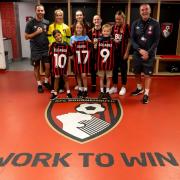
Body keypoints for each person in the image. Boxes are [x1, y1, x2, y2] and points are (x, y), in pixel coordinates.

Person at [131, 3, 160, 104]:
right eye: (142, 10)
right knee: (136, 72)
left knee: (147, 75)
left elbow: (156, 41)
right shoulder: (135, 23)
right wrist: (139, 50)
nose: (144, 11)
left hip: (149, 54)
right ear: (140, 12)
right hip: (137, 53)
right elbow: (132, 40)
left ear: (150, 10)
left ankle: (146, 94)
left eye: (146, 9)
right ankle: (140, 88)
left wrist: (148, 52)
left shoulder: (155, 24)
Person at [25, 4, 51, 93]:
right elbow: (26, 37)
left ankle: (46, 82)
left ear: (44, 11)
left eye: (41, 10)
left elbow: (48, 34)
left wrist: (49, 39)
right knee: (36, 67)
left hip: (45, 48)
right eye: (38, 10)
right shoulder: (30, 23)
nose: (40, 12)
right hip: (35, 49)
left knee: (48, 66)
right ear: (36, 11)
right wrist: (36, 32)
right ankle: (39, 84)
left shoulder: (47, 22)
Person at [48, 9, 71, 93]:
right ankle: (54, 88)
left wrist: (67, 48)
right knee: (55, 68)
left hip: (63, 50)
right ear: (55, 16)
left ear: (63, 16)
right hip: (55, 50)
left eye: (60, 15)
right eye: (57, 15)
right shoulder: (51, 26)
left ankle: (61, 87)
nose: (59, 17)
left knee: (63, 68)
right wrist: (53, 45)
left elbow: (68, 39)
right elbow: (50, 38)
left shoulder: (66, 27)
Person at [109, 10, 131, 96]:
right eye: (116, 19)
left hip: (123, 52)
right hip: (115, 53)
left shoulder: (127, 27)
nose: (117, 21)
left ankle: (123, 86)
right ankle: (114, 87)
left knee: (123, 70)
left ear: (123, 18)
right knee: (114, 70)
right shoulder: (113, 27)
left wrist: (127, 53)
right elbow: (111, 38)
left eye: (119, 19)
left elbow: (130, 40)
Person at [49, 30, 72, 100]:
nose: (57, 37)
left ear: (61, 35)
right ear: (54, 38)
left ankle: (68, 92)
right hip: (56, 65)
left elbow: (70, 53)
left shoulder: (66, 44)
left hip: (64, 65)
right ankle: (55, 93)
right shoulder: (53, 45)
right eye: (55, 36)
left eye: (58, 35)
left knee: (65, 77)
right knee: (56, 78)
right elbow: (50, 54)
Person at [70, 22, 92, 98]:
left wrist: (90, 42)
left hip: (84, 60)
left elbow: (91, 45)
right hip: (76, 59)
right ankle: (80, 89)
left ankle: (85, 89)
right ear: (75, 28)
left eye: (80, 27)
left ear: (83, 29)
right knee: (78, 75)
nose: (78, 29)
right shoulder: (72, 38)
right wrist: (71, 55)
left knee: (84, 75)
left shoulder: (86, 37)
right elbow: (70, 49)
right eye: (77, 27)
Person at [96, 24, 115, 100]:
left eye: (108, 31)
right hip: (100, 63)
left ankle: (107, 92)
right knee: (101, 78)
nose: (106, 32)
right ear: (102, 32)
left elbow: (115, 51)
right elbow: (95, 50)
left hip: (109, 63)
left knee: (108, 78)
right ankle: (101, 92)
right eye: (104, 31)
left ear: (110, 32)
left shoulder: (112, 41)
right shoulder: (99, 40)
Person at [88, 15, 102, 92]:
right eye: (95, 19)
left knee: (103, 70)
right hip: (93, 54)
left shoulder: (104, 30)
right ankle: (93, 85)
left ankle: (104, 86)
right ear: (93, 21)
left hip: (102, 55)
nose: (96, 21)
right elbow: (88, 44)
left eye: (98, 19)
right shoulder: (90, 32)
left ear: (101, 20)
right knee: (93, 70)